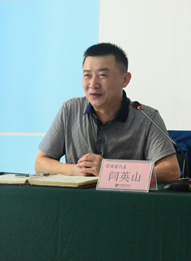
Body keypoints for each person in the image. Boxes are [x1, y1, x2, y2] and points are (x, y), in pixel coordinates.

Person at [35, 43, 181, 183]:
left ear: (125, 80)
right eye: (87, 75)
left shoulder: (147, 117)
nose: (93, 84)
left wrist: (110, 170)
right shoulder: (70, 109)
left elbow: (171, 171)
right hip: (78, 199)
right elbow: (41, 162)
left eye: (103, 75)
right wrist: (77, 170)